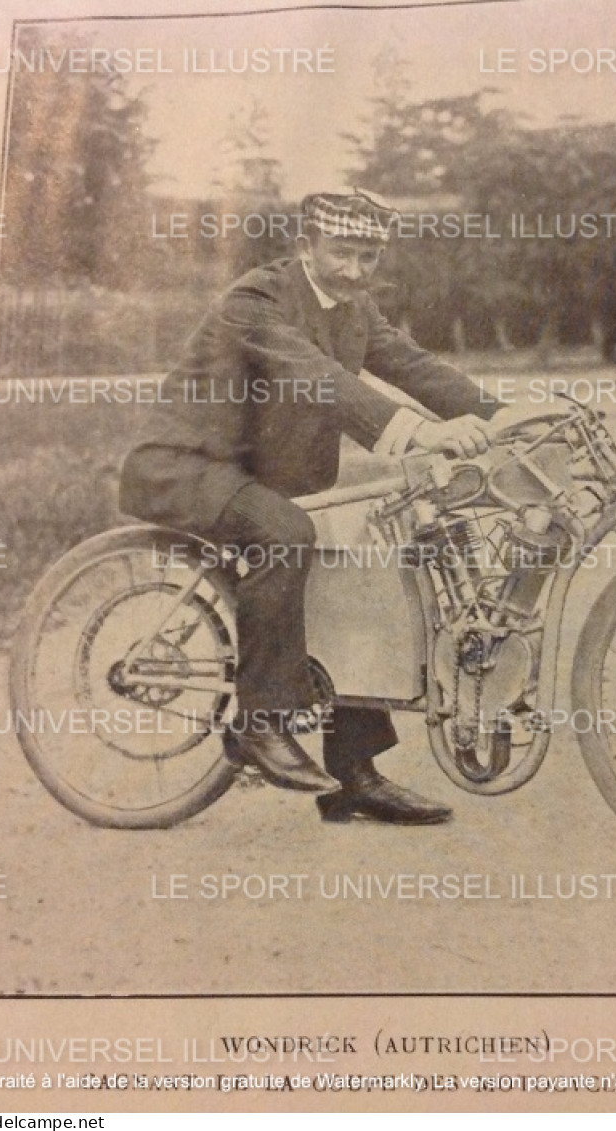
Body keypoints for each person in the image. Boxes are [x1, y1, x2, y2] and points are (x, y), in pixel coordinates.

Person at [120, 188, 503, 824]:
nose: (355, 270)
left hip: (264, 480)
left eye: (369, 257)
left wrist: (500, 413)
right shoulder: (258, 300)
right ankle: (259, 722)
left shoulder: (355, 309)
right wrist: (418, 431)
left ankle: (351, 773)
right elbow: (315, 377)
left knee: (356, 568)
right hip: (186, 467)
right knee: (287, 533)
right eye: (343, 254)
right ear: (306, 246)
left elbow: (412, 364)